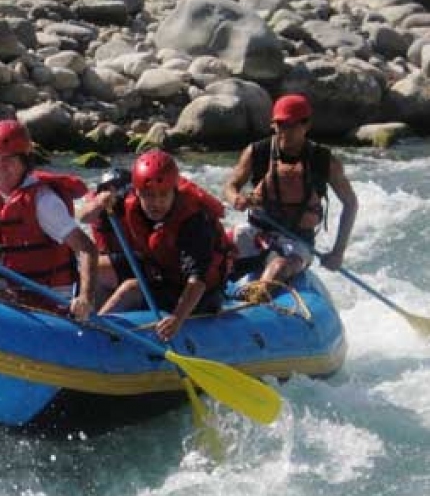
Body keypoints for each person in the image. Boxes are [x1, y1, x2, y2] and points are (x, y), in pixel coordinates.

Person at [0, 120, 98, 321]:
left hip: (45, 298)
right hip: (4, 292)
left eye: (8, 160)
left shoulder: (43, 201)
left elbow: (87, 248)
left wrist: (86, 297)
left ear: (24, 163)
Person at [223, 93, 358, 295]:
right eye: (282, 124)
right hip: (257, 233)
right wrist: (236, 198)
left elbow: (350, 204)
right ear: (273, 125)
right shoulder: (256, 152)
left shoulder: (324, 160)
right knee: (213, 254)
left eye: (294, 125)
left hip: (297, 242)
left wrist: (338, 252)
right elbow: (231, 186)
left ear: (307, 125)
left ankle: (254, 303)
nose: (287, 131)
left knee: (277, 268)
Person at [99, 150, 233, 342]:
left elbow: (197, 282)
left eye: (163, 195)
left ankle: (94, 334)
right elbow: (84, 217)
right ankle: (88, 318)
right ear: (136, 192)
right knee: (98, 267)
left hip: (201, 294)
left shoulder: (193, 221)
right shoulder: (127, 198)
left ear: (174, 191)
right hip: (162, 272)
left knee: (130, 288)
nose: (156, 202)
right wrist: (98, 203)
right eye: (149, 195)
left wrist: (177, 319)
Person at [77, 167, 132, 305]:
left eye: (114, 189)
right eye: (107, 189)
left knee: (93, 265)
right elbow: (83, 217)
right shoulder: (97, 202)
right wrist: (99, 203)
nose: (111, 193)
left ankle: (88, 314)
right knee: (84, 263)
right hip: (112, 259)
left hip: (137, 260)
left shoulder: (136, 203)